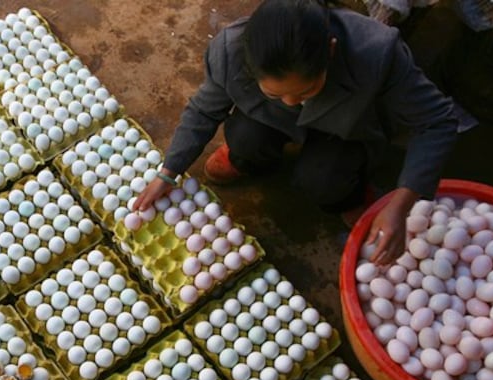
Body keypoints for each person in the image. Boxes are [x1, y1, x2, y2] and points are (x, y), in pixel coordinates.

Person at [132, 0, 458, 265]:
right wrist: (169, 171)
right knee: (245, 138)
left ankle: (350, 193)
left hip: (346, 127)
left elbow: (437, 121)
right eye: (276, 93)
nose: (291, 101)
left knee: (324, 180)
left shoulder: (377, 55)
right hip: (272, 120)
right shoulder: (232, 51)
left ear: (330, 52)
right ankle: (250, 160)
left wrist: (401, 202)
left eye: (306, 89)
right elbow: (204, 109)